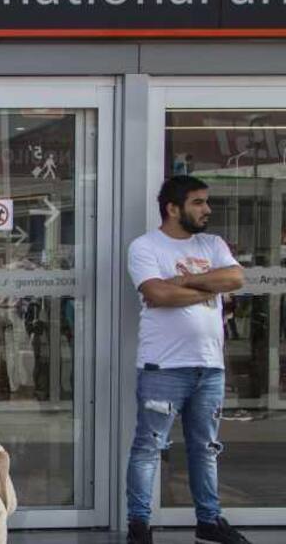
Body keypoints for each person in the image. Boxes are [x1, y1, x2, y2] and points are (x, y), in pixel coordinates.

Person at [126, 175, 250, 544]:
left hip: (209, 366)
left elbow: (236, 278)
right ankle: (139, 526)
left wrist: (181, 283)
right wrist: (206, 289)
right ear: (173, 208)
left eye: (205, 202)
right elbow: (156, 294)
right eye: (198, 202)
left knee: (206, 448)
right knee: (149, 447)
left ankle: (208, 523)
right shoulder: (146, 246)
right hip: (163, 366)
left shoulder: (212, 243)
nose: (206, 209)